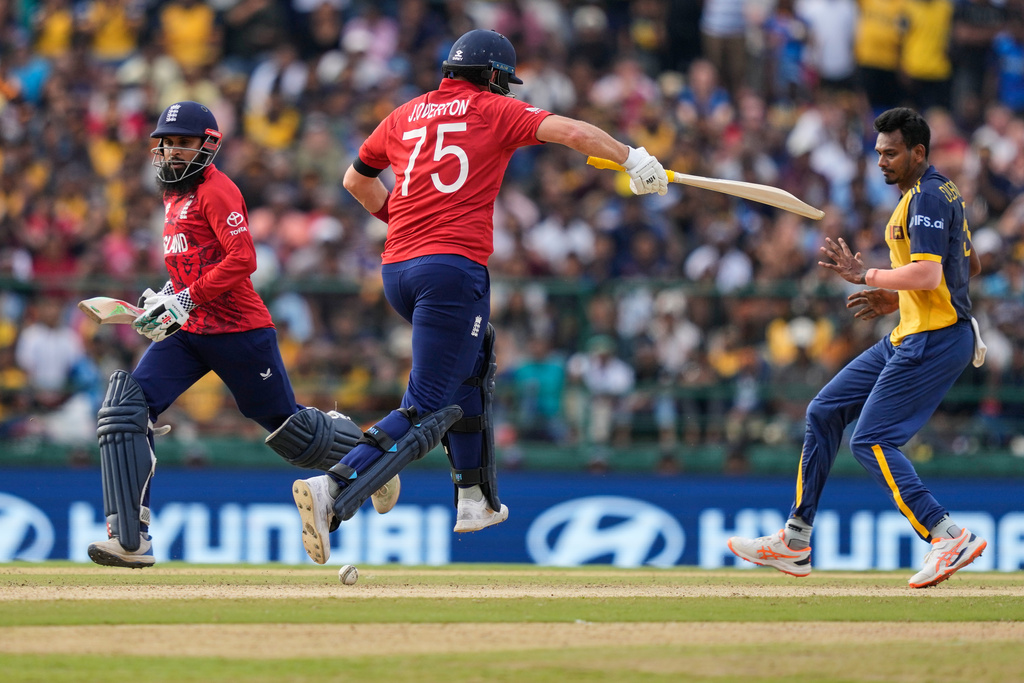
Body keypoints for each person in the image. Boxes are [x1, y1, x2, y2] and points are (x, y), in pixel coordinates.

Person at [289, 29, 669, 565]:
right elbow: (573, 132)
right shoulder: (492, 109)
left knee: (473, 364)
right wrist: (632, 159)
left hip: (398, 269)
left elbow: (357, 181)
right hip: (451, 270)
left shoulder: (403, 114)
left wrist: (404, 221)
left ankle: (474, 499)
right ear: (493, 76)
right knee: (425, 405)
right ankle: (336, 487)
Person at [86, 101, 396, 569]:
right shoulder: (172, 195)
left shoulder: (218, 190)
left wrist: (185, 300)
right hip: (189, 331)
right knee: (126, 406)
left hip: (238, 329)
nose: (171, 152)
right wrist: (164, 301)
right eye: (165, 143)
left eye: (182, 143)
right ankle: (131, 537)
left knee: (289, 432)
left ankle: (369, 458)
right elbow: (191, 265)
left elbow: (242, 259)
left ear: (209, 145)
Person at [727, 107, 987, 589]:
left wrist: (865, 275)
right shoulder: (934, 191)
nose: (882, 161)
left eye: (890, 153)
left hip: (933, 335)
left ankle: (947, 534)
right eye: (878, 153)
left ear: (918, 152)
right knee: (824, 411)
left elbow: (931, 274)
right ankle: (796, 540)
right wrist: (895, 296)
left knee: (870, 438)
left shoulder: (927, 197)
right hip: (911, 328)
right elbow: (964, 268)